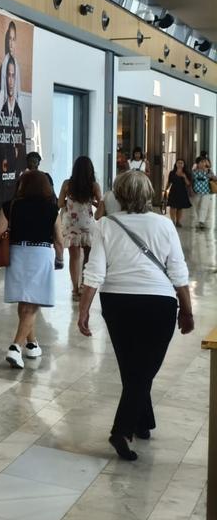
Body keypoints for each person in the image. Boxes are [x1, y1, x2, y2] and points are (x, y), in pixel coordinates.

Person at [78, 171, 194, 461]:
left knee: (134, 369)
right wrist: (187, 311)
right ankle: (121, 429)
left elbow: (95, 272)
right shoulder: (164, 224)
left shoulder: (104, 224)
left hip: (117, 304)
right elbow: (178, 272)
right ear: (150, 194)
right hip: (159, 304)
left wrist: (83, 311)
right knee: (143, 370)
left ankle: (143, 421)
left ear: (118, 195)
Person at [0, 170, 62, 369]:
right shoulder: (51, 208)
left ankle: (31, 344)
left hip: (16, 254)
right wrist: (60, 258)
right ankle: (15, 347)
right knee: (33, 301)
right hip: (40, 254)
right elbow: (59, 239)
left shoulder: (11, 206)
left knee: (25, 299)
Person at [58, 156, 104, 300]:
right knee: (88, 255)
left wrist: (70, 201)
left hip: (71, 224)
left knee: (74, 257)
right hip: (87, 224)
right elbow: (101, 203)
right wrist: (92, 203)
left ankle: (75, 290)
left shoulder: (67, 184)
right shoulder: (94, 186)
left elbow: (60, 203)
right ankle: (84, 285)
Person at [0, 54, 26, 208]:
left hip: (15, 176)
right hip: (2, 179)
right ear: (5, 78)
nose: (11, 81)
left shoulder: (18, 111)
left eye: (13, 76)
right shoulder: (2, 110)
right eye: (8, 76)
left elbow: (22, 144)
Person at [166, 158, 191, 227]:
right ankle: (172, 221)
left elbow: (188, 184)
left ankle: (178, 222)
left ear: (183, 165)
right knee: (172, 206)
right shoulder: (172, 173)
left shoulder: (186, 173)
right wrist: (166, 190)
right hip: (173, 191)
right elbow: (169, 182)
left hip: (182, 191)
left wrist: (184, 176)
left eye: (181, 163)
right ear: (176, 164)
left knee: (180, 207)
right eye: (178, 163)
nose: (180, 164)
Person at [194, 157, 215, 229]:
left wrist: (210, 175)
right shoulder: (194, 171)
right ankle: (200, 220)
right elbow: (191, 181)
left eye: (204, 162)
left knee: (204, 207)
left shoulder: (209, 171)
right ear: (197, 163)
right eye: (201, 162)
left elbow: (215, 178)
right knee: (197, 207)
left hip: (207, 192)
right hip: (196, 192)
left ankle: (201, 222)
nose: (203, 163)